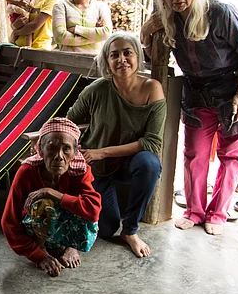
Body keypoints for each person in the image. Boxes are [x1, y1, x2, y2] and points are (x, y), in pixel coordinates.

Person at [142, 0, 238, 235]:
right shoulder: (166, 16)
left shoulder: (220, 11)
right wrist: (146, 32)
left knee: (231, 155)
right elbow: (153, 57)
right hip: (198, 91)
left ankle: (218, 214)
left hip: (237, 86)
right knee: (195, 153)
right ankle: (194, 211)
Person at [67, 33, 165, 258]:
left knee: (150, 164)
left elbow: (152, 142)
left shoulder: (152, 88)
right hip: (97, 168)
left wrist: (102, 152)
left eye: (127, 53)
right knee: (106, 229)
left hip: (128, 163)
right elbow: (69, 122)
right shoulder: (97, 89)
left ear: (137, 56)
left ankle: (130, 231)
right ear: (107, 61)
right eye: (114, 55)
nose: (122, 59)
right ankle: (112, 221)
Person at [1, 118, 102, 276]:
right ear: (40, 150)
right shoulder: (27, 172)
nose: (59, 156)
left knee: (85, 205)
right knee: (43, 204)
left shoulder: (80, 171)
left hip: (66, 228)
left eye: (66, 149)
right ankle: (41, 246)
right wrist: (38, 256)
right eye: (51, 148)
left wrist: (50, 192)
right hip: (36, 230)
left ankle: (70, 246)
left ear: (75, 152)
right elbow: (9, 222)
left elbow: (93, 210)